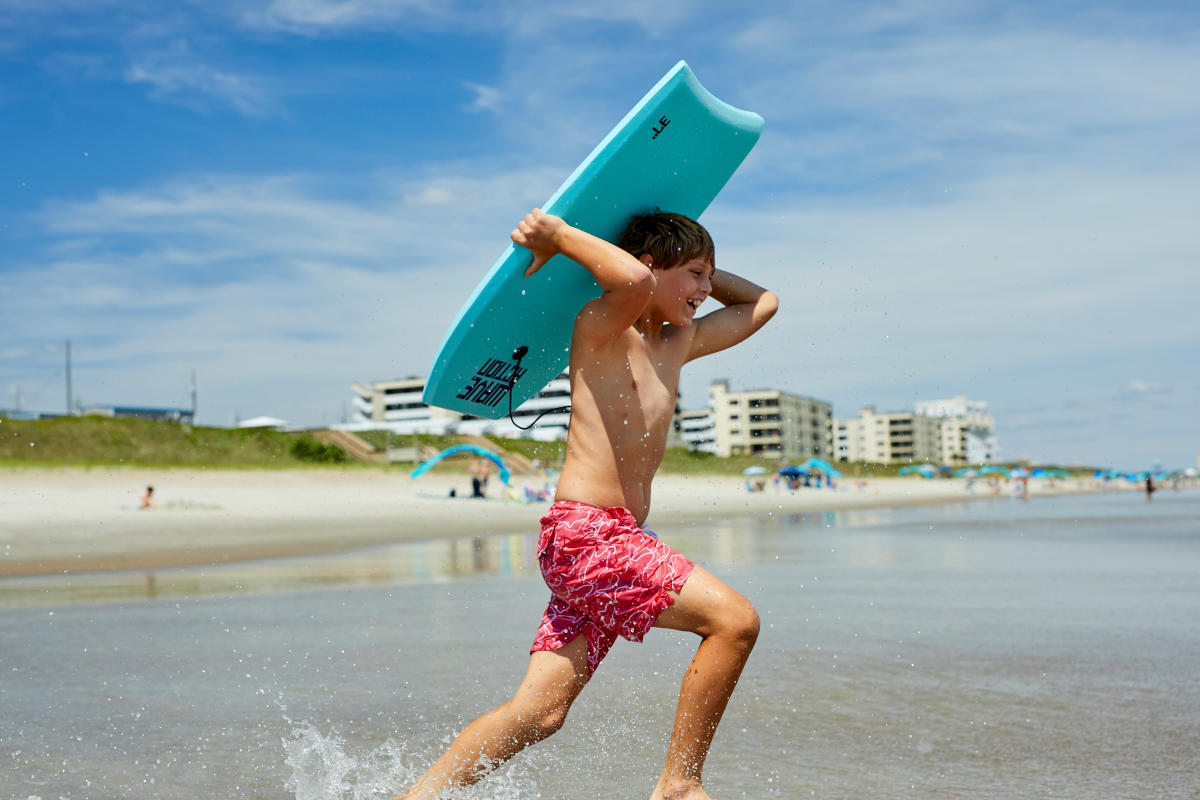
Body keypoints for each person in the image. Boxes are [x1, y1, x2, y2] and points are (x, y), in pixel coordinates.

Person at [395, 208, 778, 800]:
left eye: (711, 277)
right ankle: (679, 784)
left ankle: (416, 797)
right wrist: (561, 238)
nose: (707, 290)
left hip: (610, 540)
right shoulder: (602, 325)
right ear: (651, 265)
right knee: (735, 621)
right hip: (589, 537)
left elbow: (763, 305)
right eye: (697, 275)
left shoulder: (678, 342)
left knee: (540, 714)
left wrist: (693, 263)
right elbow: (631, 283)